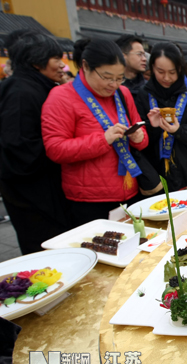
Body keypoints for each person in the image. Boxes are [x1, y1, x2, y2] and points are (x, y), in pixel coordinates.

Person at [42, 38, 149, 226]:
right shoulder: (62, 97)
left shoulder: (123, 93)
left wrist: (138, 137)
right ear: (86, 66)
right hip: (89, 200)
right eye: (107, 77)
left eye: (119, 78)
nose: (113, 84)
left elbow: (140, 132)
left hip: (130, 189)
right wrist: (103, 139)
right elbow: (55, 149)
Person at [0, 31, 72, 254]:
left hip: (45, 186)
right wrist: (60, 146)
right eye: (55, 59)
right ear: (36, 62)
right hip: (31, 194)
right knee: (44, 247)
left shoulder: (40, 85)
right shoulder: (20, 91)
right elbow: (18, 145)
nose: (62, 65)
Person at [135, 43, 187, 192]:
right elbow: (138, 140)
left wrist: (179, 130)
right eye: (160, 71)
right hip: (157, 176)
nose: (166, 78)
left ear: (180, 68)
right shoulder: (143, 95)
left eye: (172, 72)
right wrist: (151, 127)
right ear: (152, 68)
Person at [115, 34, 147, 100]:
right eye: (139, 54)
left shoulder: (147, 88)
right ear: (123, 56)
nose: (144, 59)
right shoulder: (113, 87)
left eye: (144, 55)